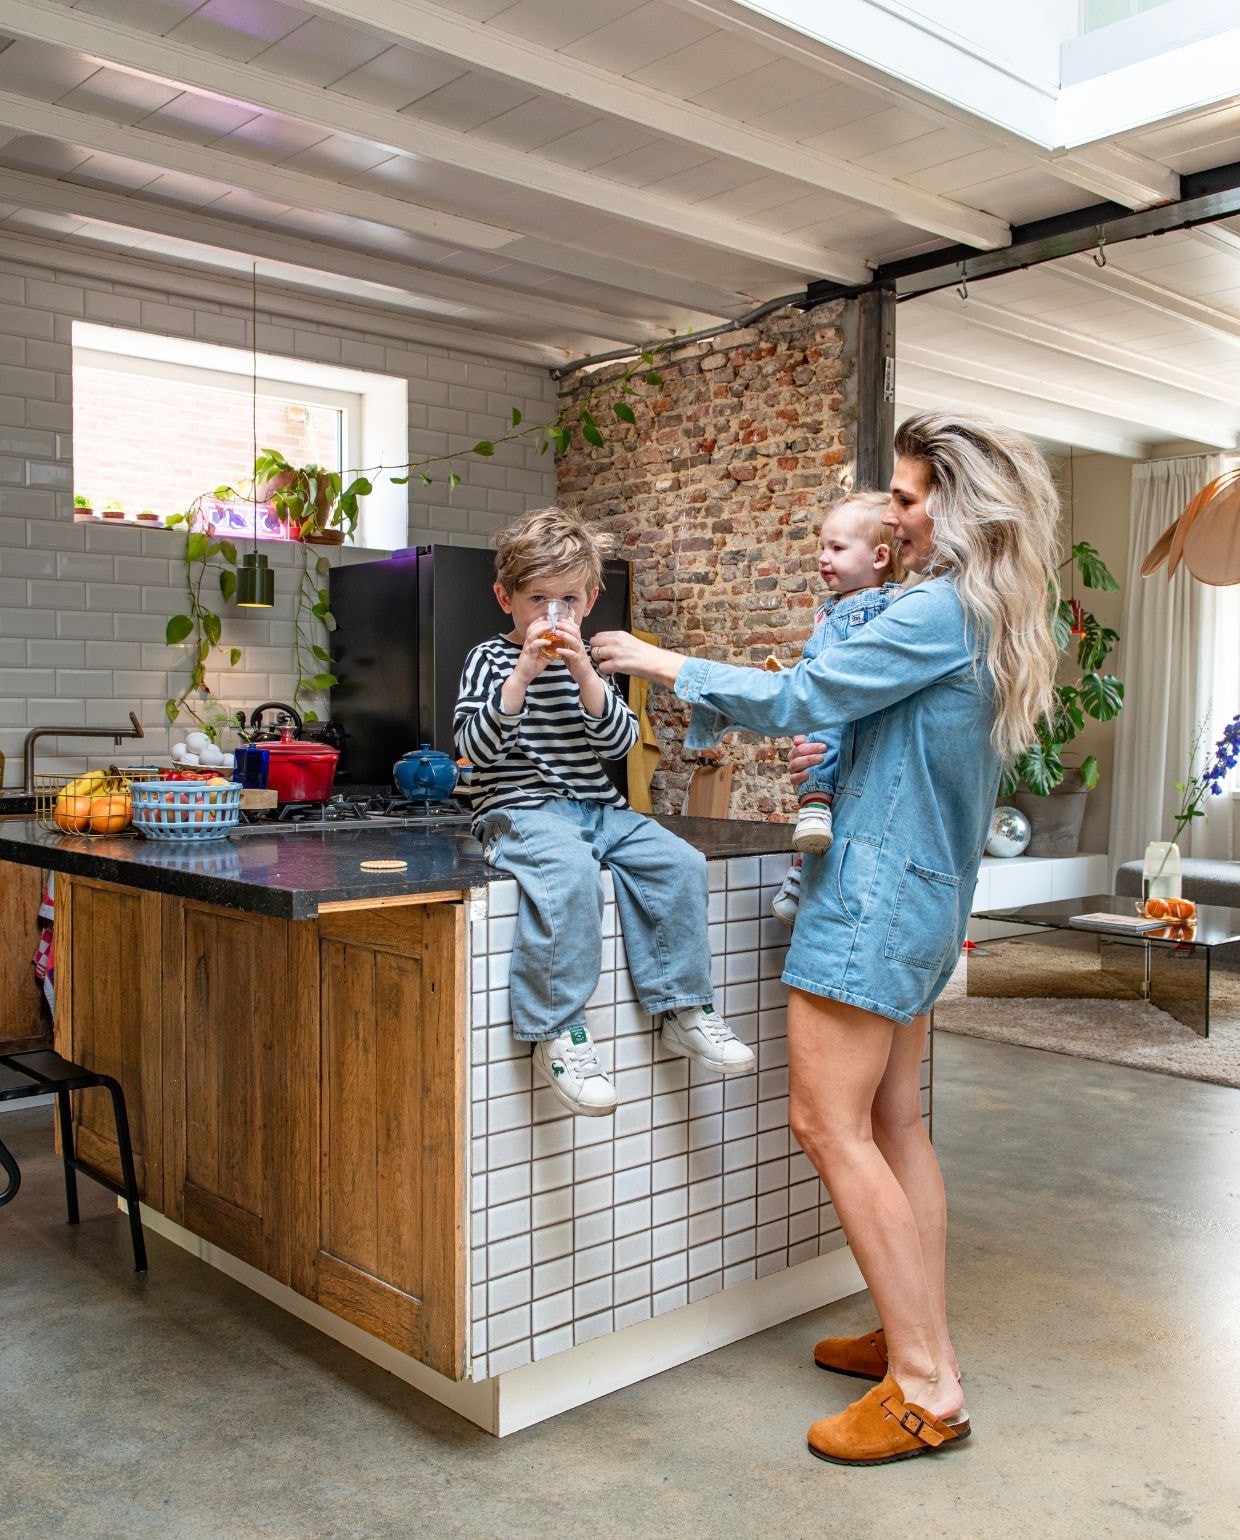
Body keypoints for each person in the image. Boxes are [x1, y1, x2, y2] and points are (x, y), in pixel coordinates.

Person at [591, 413, 1060, 1465]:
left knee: (827, 1123)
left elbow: (801, 694)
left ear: (958, 500)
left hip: (871, 898)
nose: (889, 514)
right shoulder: (981, 611)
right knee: (896, 1125)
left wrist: (660, 660)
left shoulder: (936, 610)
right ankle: (910, 1338)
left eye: (903, 496)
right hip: (927, 896)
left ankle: (927, 1387)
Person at [454, 507, 755, 1119]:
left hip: (597, 808)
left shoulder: (590, 664)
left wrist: (585, 672)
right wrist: (522, 676)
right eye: (537, 599)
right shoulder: (489, 660)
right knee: (567, 876)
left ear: (590, 599)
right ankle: (557, 1031)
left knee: (679, 862)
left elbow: (618, 746)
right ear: (504, 598)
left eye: (567, 599)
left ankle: (683, 1007)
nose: (552, 616)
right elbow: (472, 753)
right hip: (520, 809)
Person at [770, 490, 902, 925]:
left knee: (820, 740)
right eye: (822, 547)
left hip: (835, 708)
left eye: (838, 548)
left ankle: (812, 804)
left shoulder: (861, 607)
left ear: (880, 556)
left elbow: (824, 682)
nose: (824, 558)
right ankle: (801, 871)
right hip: (856, 729)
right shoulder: (848, 605)